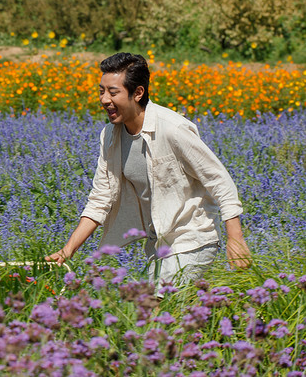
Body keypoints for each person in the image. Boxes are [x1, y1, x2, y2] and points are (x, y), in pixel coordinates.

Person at [45, 52, 251, 295]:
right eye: (101, 91)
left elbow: (219, 180)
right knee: (149, 315)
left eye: (113, 92)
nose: (104, 99)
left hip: (192, 240)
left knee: (153, 311)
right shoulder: (111, 136)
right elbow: (101, 199)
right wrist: (67, 251)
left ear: (138, 93)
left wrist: (235, 239)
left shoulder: (172, 129)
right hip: (158, 247)